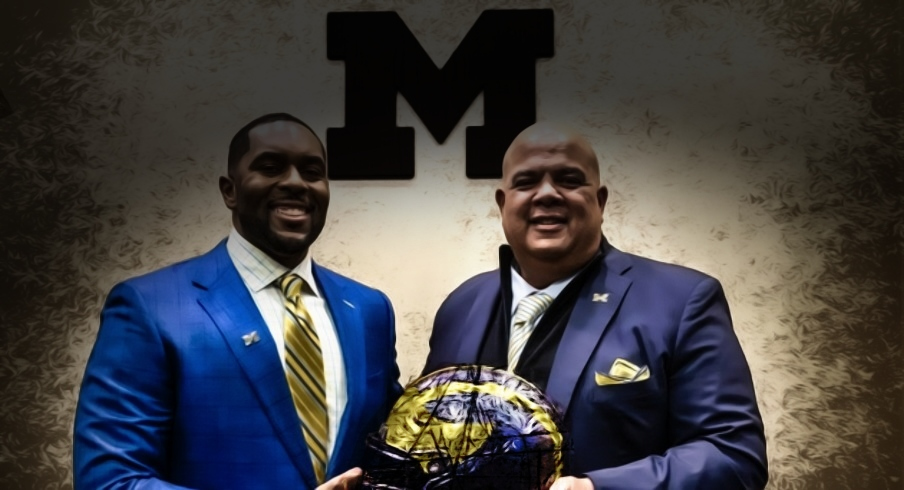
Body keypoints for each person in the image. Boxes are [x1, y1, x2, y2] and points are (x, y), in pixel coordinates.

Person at [422, 122, 768, 489]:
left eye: (569, 179)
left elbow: (733, 456)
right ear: (502, 203)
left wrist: (593, 488)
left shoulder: (683, 300)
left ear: (600, 201)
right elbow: (425, 440)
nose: (547, 194)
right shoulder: (461, 305)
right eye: (526, 182)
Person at [74, 113, 402, 490]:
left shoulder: (369, 309)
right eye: (271, 166)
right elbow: (110, 481)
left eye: (312, 171)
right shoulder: (149, 307)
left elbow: (388, 458)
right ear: (229, 190)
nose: (296, 182)